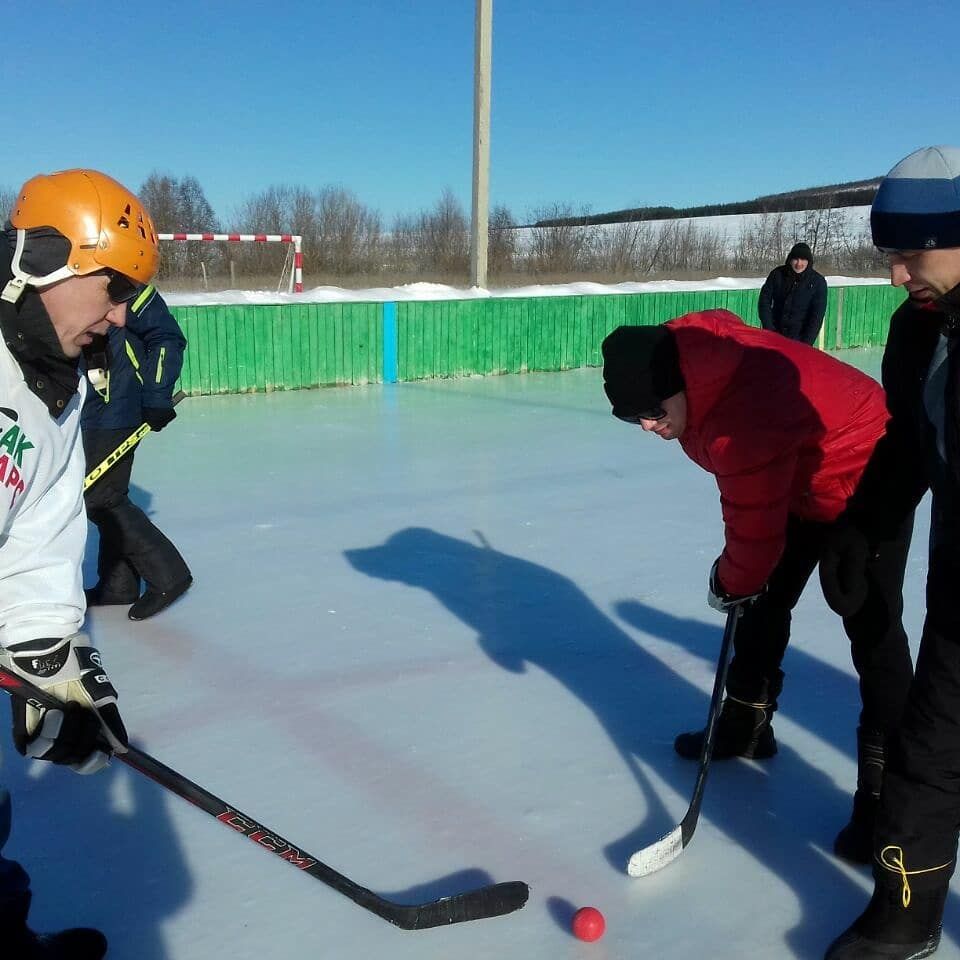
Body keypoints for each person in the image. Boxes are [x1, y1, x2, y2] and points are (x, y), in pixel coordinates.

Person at [601, 309, 915, 867]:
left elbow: (753, 532)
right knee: (763, 600)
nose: (649, 427)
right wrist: (744, 583)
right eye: (635, 420)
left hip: (868, 466)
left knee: (869, 622)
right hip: (802, 469)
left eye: (652, 412)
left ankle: (886, 794)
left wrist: (728, 580)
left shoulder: (738, 419)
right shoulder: (693, 363)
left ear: (677, 388)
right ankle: (746, 723)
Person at [0, 168, 158, 957]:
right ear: (45, 257)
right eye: (116, 286)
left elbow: (36, 538)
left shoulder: (55, 391)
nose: (121, 314)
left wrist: (42, 656)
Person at [819, 146, 960, 960]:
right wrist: (862, 528)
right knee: (935, 738)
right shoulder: (919, 330)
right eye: (889, 256)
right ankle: (906, 909)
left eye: (912, 253)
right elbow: (908, 444)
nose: (898, 275)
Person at [82, 284, 191, 621]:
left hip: (122, 403)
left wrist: (157, 396)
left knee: (100, 496)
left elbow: (167, 338)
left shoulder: (124, 280)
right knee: (105, 496)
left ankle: (169, 575)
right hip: (94, 406)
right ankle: (118, 586)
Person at [758, 241, 829, 345]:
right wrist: (769, 330)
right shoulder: (777, 275)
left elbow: (816, 316)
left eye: (803, 259)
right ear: (790, 259)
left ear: (808, 261)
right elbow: (764, 301)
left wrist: (806, 343)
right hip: (774, 335)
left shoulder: (817, 282)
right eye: (795, 259)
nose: (799, 263)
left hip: (800, 340)